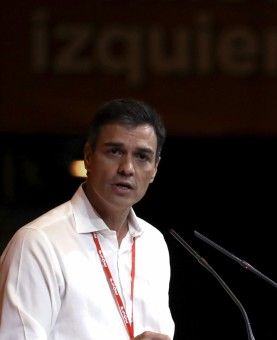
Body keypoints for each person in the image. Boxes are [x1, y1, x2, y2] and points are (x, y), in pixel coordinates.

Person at [0, 98, 175, 340]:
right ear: (88, 156)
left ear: (155, 169)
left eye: (142, 157)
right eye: (115, 151)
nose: (127, 168)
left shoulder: (153, 245)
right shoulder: (37, 244)